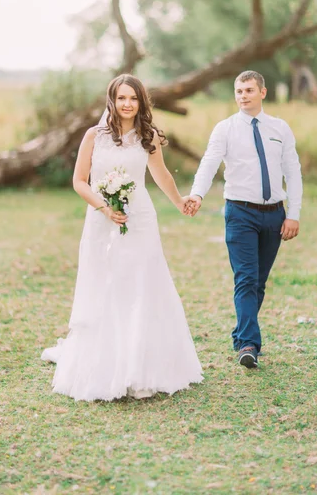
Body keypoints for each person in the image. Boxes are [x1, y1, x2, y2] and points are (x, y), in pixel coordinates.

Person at [41, 74, 203, 400]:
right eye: (121, 98)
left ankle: (141, 368)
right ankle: (106, 365)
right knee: (106, 282)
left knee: (141, 284)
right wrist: (103, 207)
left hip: (139, 219)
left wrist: (180, 201)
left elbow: (161, 175)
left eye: (133, 98)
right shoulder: (94, 136)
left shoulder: (148, 136)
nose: (127, 104)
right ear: (111, 101)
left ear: (141, 102)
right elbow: (79, 181)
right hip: (102, 220)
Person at [187, 70, 303, 369]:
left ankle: (242, 334)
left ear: (262, 93)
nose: (243, 96)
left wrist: (293, 214)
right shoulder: (225, 129)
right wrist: (197, 194)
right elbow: (209, 162)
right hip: (240, 213)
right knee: (247, 279)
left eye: (249, 90)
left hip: (275, 214)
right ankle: (248, 344)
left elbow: (293, 172)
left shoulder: (280, 128)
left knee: (259, 282)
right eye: (239, 91)